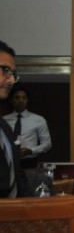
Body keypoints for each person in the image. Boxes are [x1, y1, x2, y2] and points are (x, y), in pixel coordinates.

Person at [0, 40, 31, 197]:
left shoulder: (4, 127)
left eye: (13, 74)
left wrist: (32, 207)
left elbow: (17, 174)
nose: (11, 80)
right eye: (5, 70)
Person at [3, 87, 52, 169]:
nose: (21, 100)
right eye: (17, 97)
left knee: (29, 177)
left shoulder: (38, 120)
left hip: (29, 162)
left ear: (27, 100)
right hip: (7, 161)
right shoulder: (3, 120)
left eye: (24, 98)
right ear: (11, 100)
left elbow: (47, 144)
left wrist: (30, 150)